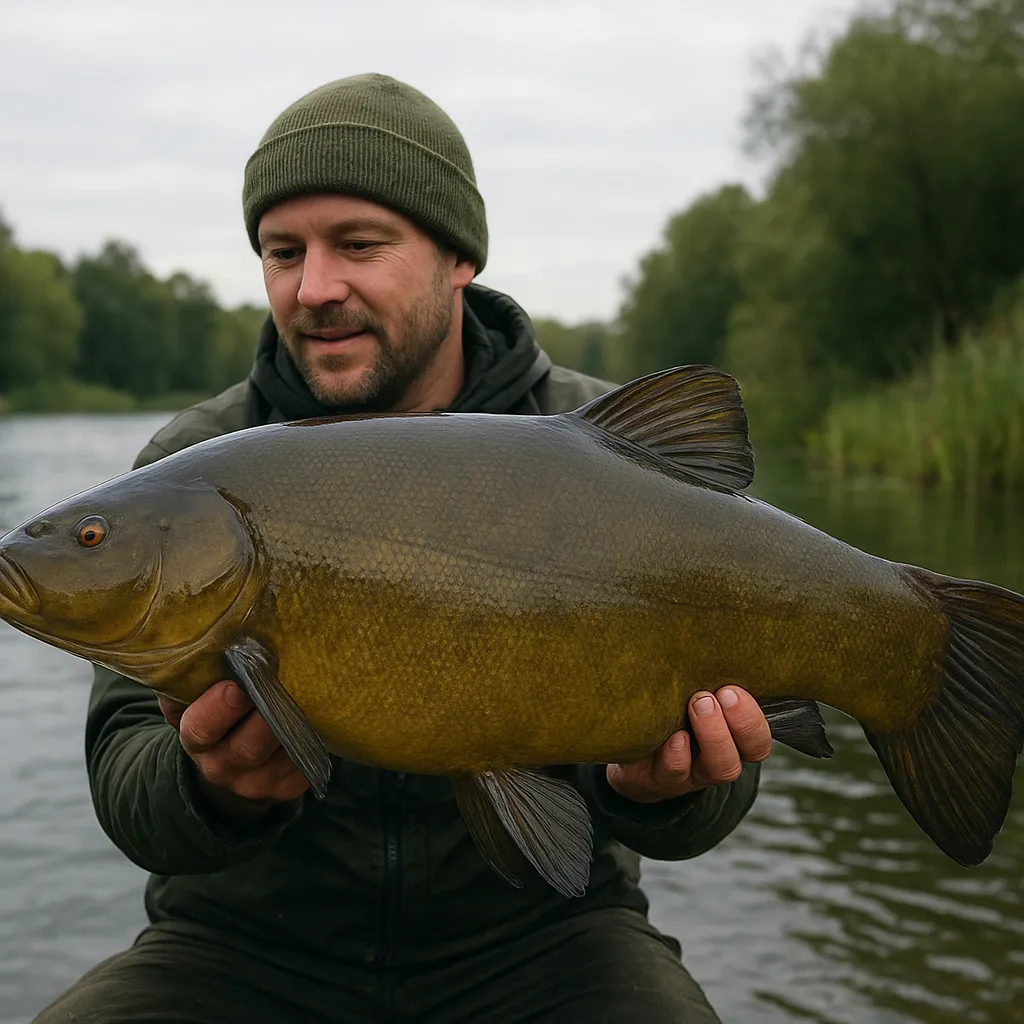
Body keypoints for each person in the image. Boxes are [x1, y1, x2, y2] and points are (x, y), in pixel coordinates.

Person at [34, 73, 773, 1024]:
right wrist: (211, 790)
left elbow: (723, 781)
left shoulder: (598, 440)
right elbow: (127, 783)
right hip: (245, 948)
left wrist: (662, 795)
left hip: (546, 939)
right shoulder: (189, 471)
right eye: (282, 251)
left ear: (458, 256)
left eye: (359, 245)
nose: (314, 288)